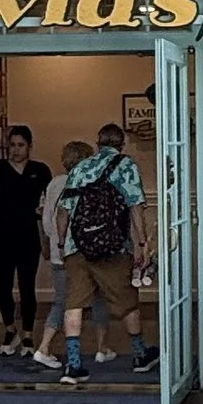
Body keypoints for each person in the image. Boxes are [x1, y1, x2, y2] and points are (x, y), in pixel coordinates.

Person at [53, 120, 155, 387]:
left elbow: (63, 211)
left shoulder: (80, 167)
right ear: (121, 144)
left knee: (73, 303)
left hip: (79, 247)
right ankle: (140, 354)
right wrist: (141, 245)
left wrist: (63, 243)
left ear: (97, 144)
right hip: (113, 247)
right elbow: (135, 207)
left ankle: (73, 364)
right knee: (127, 301)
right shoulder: (125, 165)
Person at [0, 123, 52, 360]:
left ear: (30, 146)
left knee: (26, 285)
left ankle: (29, 333)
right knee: (2, 284)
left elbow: (50, 201)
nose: (16, 149)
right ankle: (10, 329)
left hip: (28, 233)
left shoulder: (40, 170)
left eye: (21, 145)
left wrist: (46, 234)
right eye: (12, 145)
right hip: (2, 233)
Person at [27, 139, 90, 377]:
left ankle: (55, 348)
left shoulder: (54, 183)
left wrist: (49, 242)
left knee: (63, 299)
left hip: (56, 249)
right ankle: (46, 347)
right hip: (72, 251)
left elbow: (44, 217)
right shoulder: (79, 183)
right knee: (68, 302)